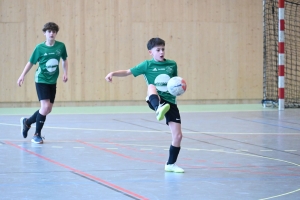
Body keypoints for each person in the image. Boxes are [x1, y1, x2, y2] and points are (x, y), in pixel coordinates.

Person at [105, 38, 184, 173]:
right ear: (150, 52)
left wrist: (180, 87)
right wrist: (113, 73)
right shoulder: (147, 65)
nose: (161, 52)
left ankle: (170, 164)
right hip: (155, 99)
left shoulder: (172, 64)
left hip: (170, 103)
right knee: (151, 86)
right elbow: (127, 72)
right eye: (158, 50)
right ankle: (158, 108)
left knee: (178, 136)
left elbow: (175, 82)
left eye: (163, 49)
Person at [17, 22, 68, 144]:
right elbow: (31, 62)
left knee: (48, 109)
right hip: (41, 80)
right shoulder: (39, 48)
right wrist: (22, 75)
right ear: (45, 33)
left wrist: (65, 73)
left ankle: (27, 122)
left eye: (54, 31)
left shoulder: (61, 46)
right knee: (44, 107)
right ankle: (36, 135)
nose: (52, 33)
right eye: (49, 31)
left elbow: (64, 59)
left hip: (52, 81)